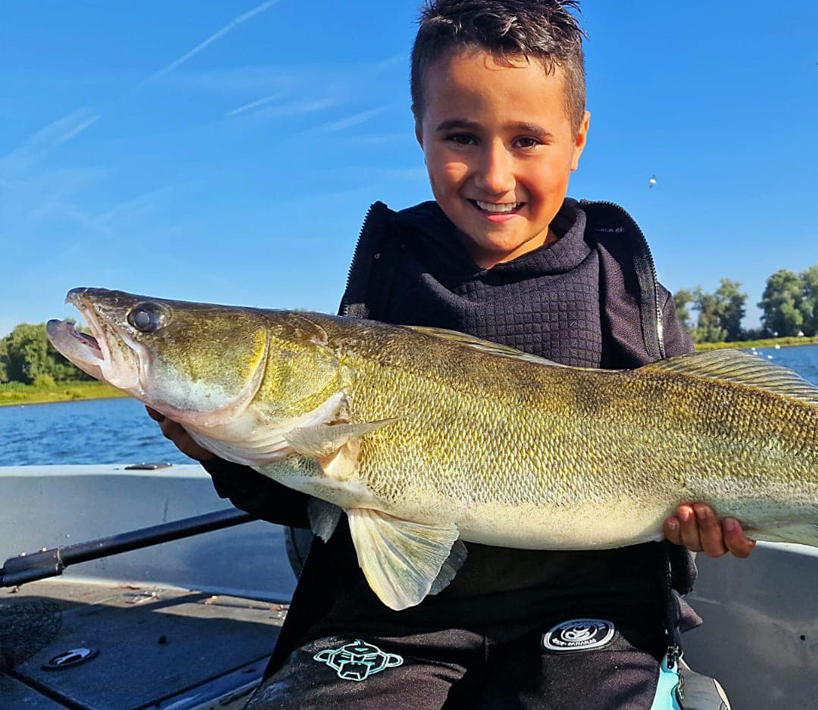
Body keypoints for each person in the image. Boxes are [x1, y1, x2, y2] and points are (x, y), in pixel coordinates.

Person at [149, 1, 754, 707]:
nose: (494, 176)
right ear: (420, 131)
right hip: (393, 625)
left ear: (578, 139)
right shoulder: (381, 293)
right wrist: (221, 452)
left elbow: (706, 453)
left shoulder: (625, 296)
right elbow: (310, 495)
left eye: (527, 140)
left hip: (596, 615)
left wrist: (703, 530)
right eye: (462, 136)